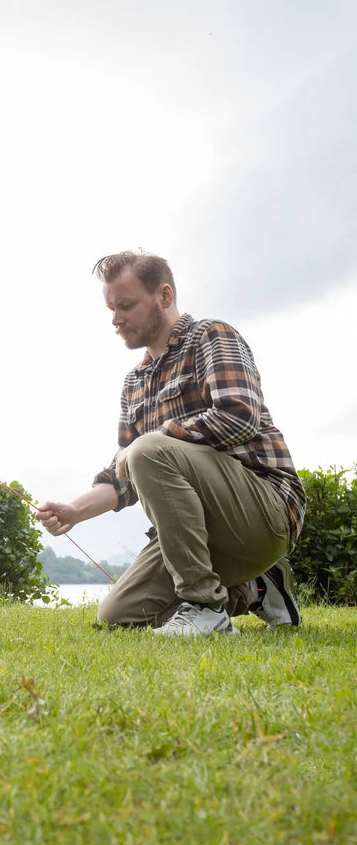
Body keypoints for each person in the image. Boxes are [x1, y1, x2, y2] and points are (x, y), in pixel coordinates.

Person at [36, 251, 306, 636]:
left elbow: (239, 416)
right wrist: (74, 511)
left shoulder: (212, 336)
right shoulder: (133, 383)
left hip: (264, 511)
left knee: (148, 448)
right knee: (118, 613)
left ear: (164, 296)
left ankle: (206, 608)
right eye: (111, 308)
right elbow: (125, 474)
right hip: (197, 536)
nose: (116, 319)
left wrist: (157, 437)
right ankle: (258, 588)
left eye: (126, 305)